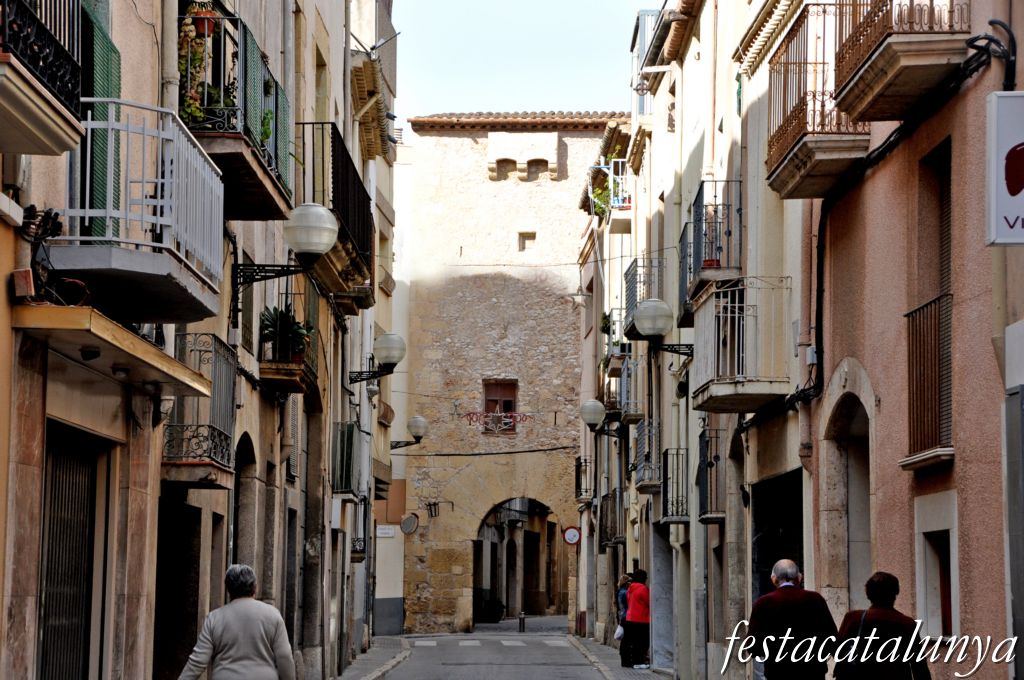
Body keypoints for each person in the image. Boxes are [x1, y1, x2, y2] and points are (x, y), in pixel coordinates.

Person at [178, 564, 296, 680]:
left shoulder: (214, 618)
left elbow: (198, 661)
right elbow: (284, 657)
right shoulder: (273, 615)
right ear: (255, 587)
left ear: (228, 589)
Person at [747, 559, 837, 680]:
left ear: (774, 579)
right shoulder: (815, 599)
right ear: (799, 578)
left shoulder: (764, 603)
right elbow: (831, 638)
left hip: (778, 673)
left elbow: (753, 646)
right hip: (812, 672)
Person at [833, 572, 931, 680]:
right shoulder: (907, 623)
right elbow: (919, 667)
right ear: (895, 593)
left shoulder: (853, 618)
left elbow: (839, 652)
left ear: (868, 594)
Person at [624, 568, 651, 669]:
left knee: (634, 642)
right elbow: (649, 602)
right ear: (643, 578)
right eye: (646, 577)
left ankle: (635, 661)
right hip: (642, 619)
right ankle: (640, 662)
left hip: (630, 618)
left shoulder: (630, 588)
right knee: (643, 641)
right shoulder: (643, 589)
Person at [616, 574, 631, 667]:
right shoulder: (625, 593)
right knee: (626, 640)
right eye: (629, 582)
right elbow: (628, 605)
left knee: (625, 639)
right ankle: (625, 660)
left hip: (622, 616)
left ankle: (624, 658)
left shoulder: (619, 591)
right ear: (626, 583)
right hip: (626, 616)